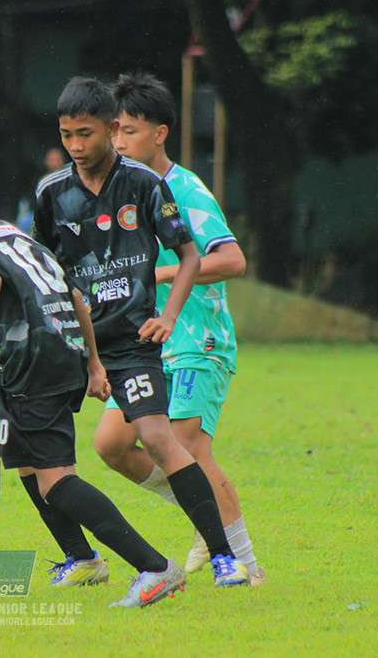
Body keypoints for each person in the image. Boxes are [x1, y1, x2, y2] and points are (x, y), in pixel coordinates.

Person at [0, 150, 189, 608]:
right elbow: (71, 292)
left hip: (33, 360)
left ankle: (154, 567)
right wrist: (91, 363)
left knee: (55, 482)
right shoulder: (7, 229)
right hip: (59, 352)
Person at [31, 77, 248, 588]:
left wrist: (168, 312)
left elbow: (212, 256)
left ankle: (230, 557)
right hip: (83, 342)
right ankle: (88, 555)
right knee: (98, 444)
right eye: (67, 136)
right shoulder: (52, 193)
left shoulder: (157, 186)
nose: (77, 146)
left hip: (162, 340)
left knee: (173, 440)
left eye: (90, 134)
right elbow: (41, 268)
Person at [105, 73, 264, 585]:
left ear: (160, 133)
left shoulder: (185, 188)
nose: (118, 142)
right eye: (114, 131)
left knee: (189, 446)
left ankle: (245, 566)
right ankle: (205, 514)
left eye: (129, 130)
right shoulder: (116, 191)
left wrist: (164, 271)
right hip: (143, 342)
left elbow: (233, 260)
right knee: (111, 444)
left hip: (197, 339)